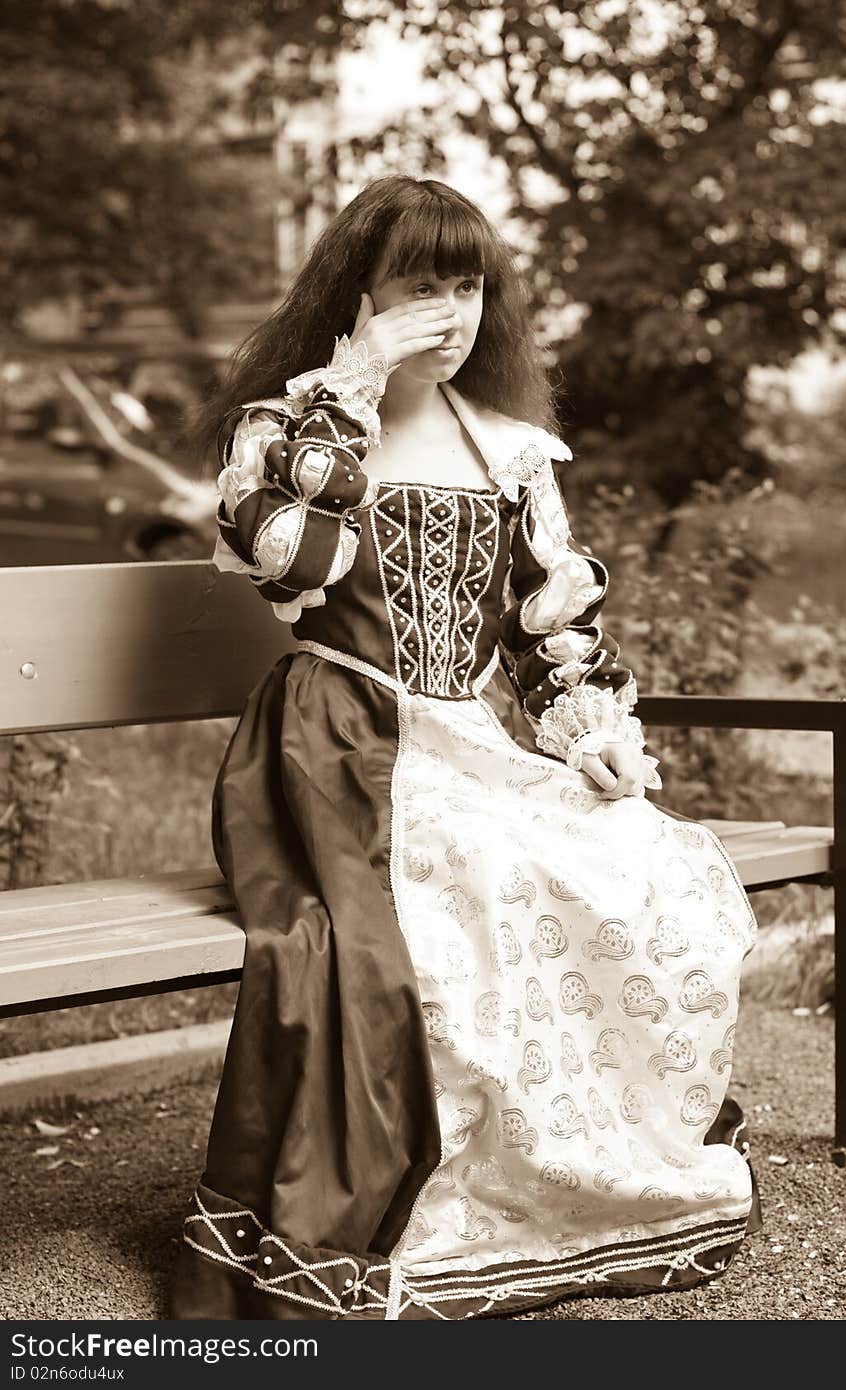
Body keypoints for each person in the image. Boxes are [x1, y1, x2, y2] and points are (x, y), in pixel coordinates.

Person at [170, 174, 760, 1322]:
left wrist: (587, 733)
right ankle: (420, 1216)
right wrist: (350, 388)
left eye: (467, 284)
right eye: (418, 287)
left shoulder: (507, 450)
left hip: (463, 739)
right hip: (331, 739)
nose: (449, 311)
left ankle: (546, 1190)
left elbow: (548, 634)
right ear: (358, 299)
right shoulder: (288, 428)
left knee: (634, 861)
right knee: (456, 892)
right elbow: (296, 565)